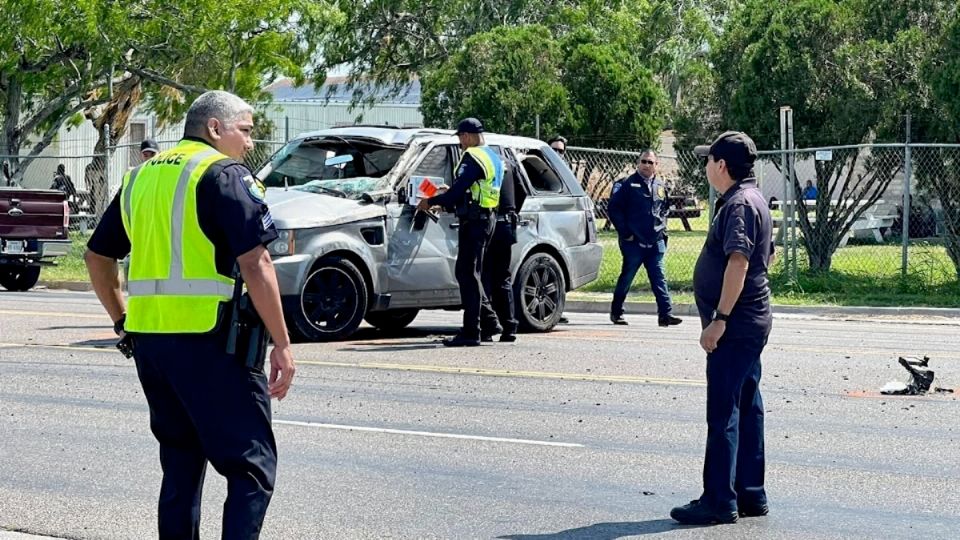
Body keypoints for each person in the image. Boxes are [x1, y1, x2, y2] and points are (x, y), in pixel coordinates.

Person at [84, 90, 296, 539]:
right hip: (213, 342)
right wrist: (282, 341)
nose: (250, 143)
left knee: (180, 464)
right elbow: (256, 263)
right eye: (245, 130)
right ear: (215, 128)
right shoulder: (222, 173)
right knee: (250, 467)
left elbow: (97, 256)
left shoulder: (140, 177)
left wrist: (122, 319)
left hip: (152, 346)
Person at [670, 131, 774, 525]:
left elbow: (739, 262)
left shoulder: (738, 204)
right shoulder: (753, 198)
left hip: (737, 323)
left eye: (708, 160)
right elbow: (769, 255)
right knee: (747, 406)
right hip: (751, 319)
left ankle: (718, 500)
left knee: (724, 412)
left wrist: (721, 319)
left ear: (722, 166)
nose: (706, 167)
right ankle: (750, 494)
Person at [417, 117, 503, 347]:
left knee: (466, 274)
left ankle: (471, 332)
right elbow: (471, 189)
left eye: (461, 138)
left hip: (475, 222)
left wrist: (431, 200)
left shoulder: (473, 157)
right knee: (471, 273)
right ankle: (489, 322)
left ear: (466, 136)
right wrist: (450, 194)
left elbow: (457, 193)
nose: (460, 143)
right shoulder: (493, 156)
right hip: (487, 217)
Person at [606, 150, 682, 327]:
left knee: (659, 277)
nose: (646, 165)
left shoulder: (660, 185)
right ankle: (616, 312)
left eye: (650, 162)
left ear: (657, 165)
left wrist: (662, 229)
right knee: (627, 277)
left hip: (655, 241)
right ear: (638, 163)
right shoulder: (626, 184)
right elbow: (614, 209)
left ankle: (665, 314)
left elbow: (664, 208)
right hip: (633, 242)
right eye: (643, 161)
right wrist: (626, 233)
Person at [480, 151, 519, 343]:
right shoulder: (509, 163)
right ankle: (509, 326)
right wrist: (511, 211)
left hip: (491, 223)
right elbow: (521, 191)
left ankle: (487, 327)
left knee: (484, 275)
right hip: (507, 225)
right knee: (503, 277)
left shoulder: (482, 161)